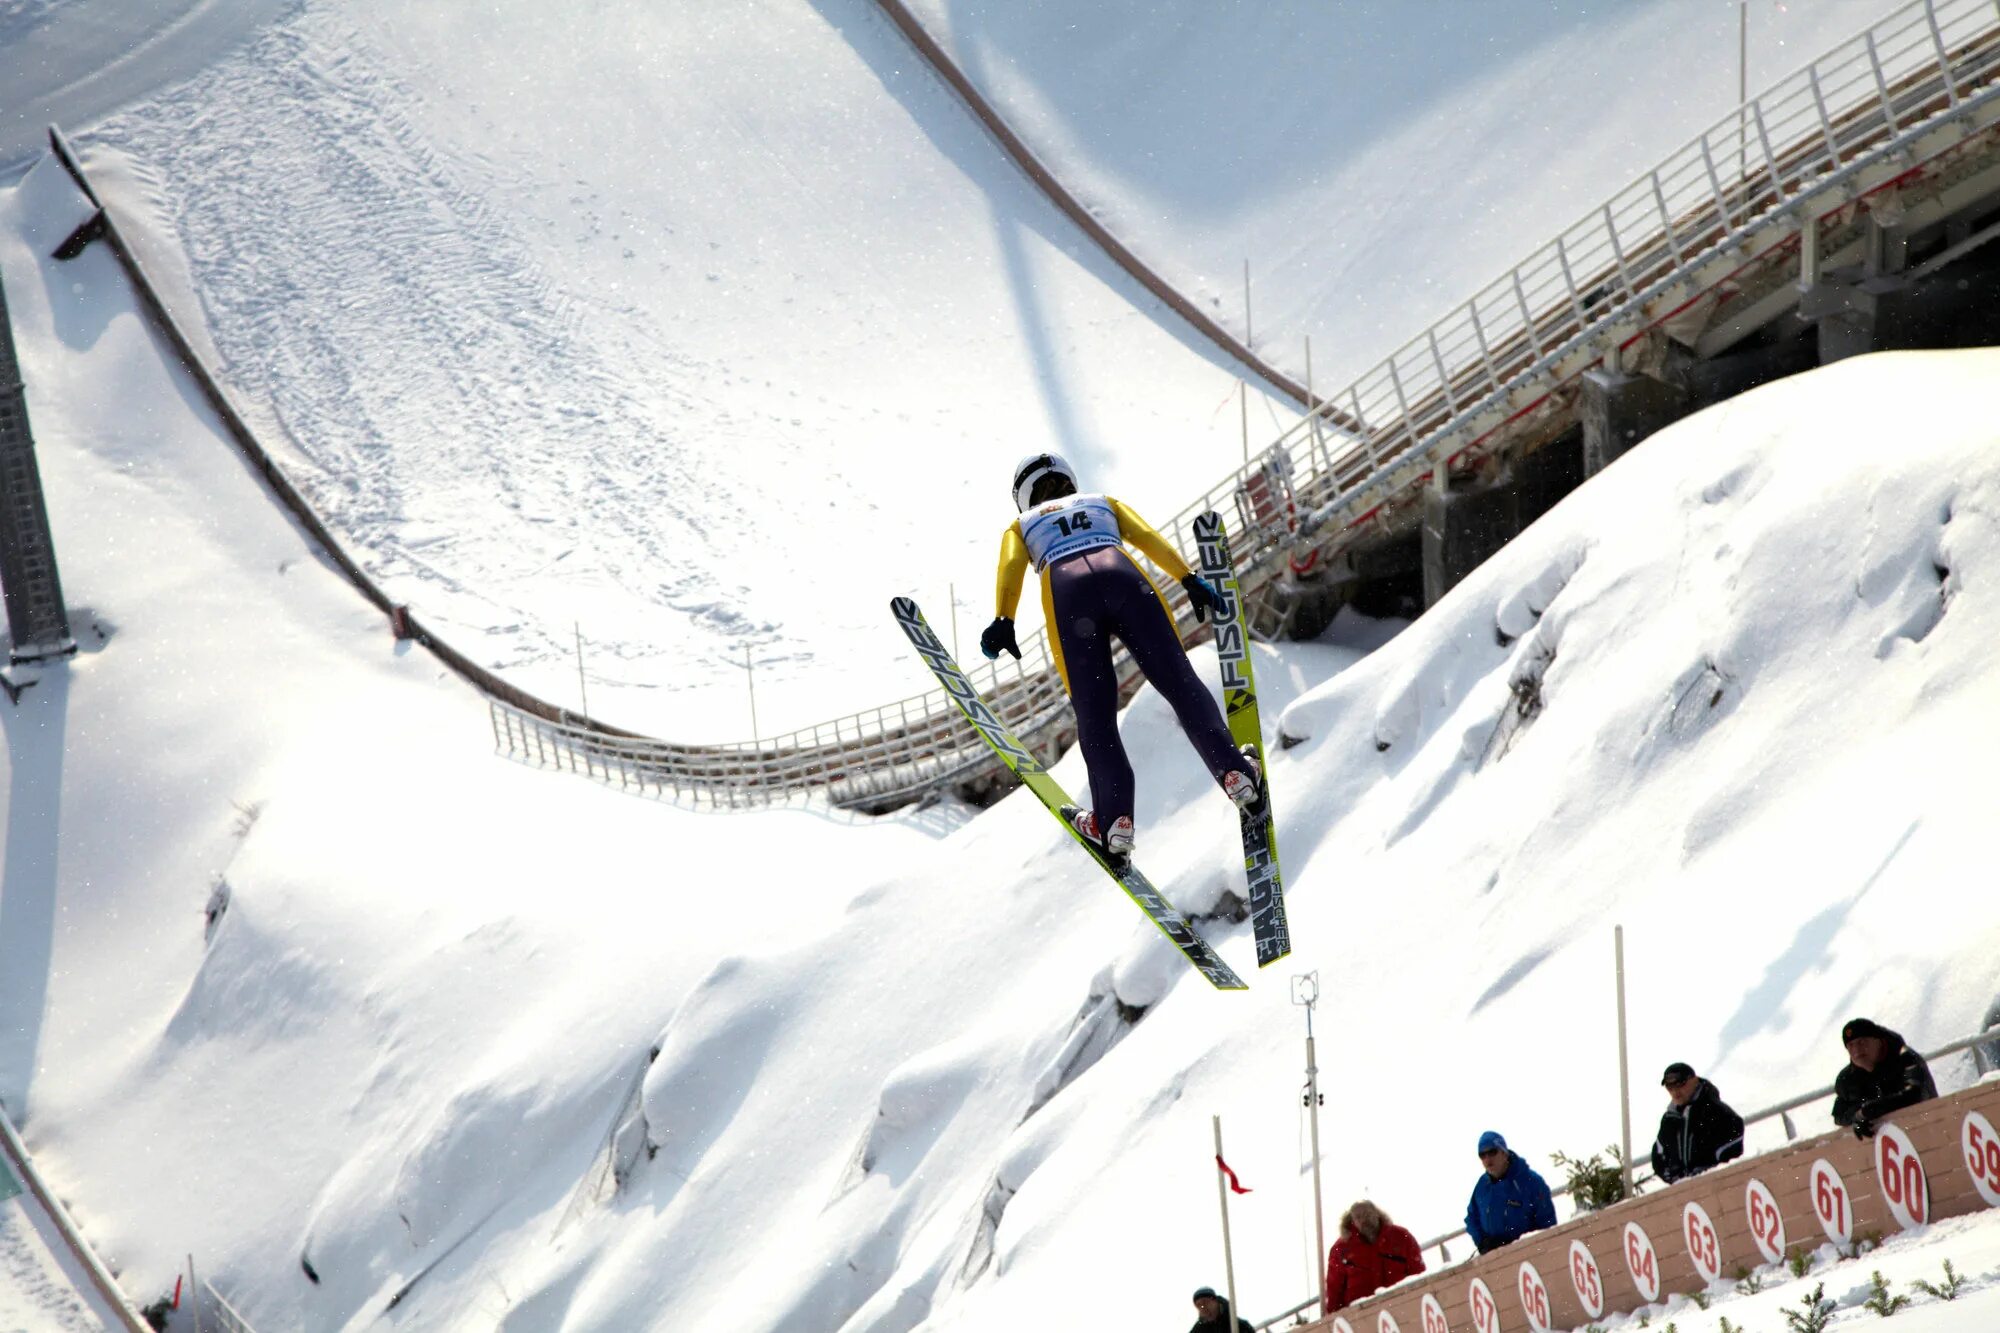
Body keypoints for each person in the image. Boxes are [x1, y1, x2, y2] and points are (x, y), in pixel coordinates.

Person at [982, 453, 1261, 864]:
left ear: (1023, 497)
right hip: (1126, 581)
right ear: (1068, 479)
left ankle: (1114, 824)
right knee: (1179, 683)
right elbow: (1147, 536)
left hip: (1069, 596)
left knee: (1095, 716)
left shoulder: (1021, 525)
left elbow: (1010, 565)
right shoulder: (1102, 501)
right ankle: (1236, 774)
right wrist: (1189, 578)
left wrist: (1003, 619)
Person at [1831, 1018, 1937, 1138]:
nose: (1856, 1050)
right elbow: (1839, 1116)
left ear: (1877, 1040)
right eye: (1850, 1045)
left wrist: (1872, 1109)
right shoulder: (1847, 1079)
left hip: (1927, 1130)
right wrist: (1858, 1114)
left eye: (1861, 1042)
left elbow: (1915, 1095)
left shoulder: (1906, 1058)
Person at [1323, 1200, 1426, 1314]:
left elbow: (1418, 1273)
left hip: (1403, 1306)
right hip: (1361, 1316)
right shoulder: (1341, 1249)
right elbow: (1334, 1290)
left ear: (1377, 1213)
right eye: (1358, 1217)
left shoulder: (1401, 1237)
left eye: (1367, 1214)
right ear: (1353, 1221)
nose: (1364, 1220)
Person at [1650, 1062, 1746, 1184]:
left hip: (1719, 1184)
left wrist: (1708, 1170)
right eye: (1670, 1087)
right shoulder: (1669, 1119)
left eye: (1680, 1084)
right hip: (1684, 1192)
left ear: (1694, 1080)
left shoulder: (1713, 1108)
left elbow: (1734, 1135)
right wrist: (1675, 1178)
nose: (1675, 1092)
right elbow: (1658, 1155)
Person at [1464, 1131, 1557, 1254]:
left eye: (1492, 1152)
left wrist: (1526, 1244)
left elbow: (1547, 1222)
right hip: (1495, 1259)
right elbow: (1471, 1219)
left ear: (1503, 1152)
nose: (1487, 1159)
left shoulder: (1530, 1181)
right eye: (1482, 1155)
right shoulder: (1482, 1186)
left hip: (1530, 1256)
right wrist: (1483, 1242)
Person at [1188, 1285, 1252, 1333]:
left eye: (1205, 1302)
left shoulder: (1239, 1325)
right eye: (1198, 1305)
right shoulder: (1197, 1331)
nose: (1202, 1307)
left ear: (1215, 1301)